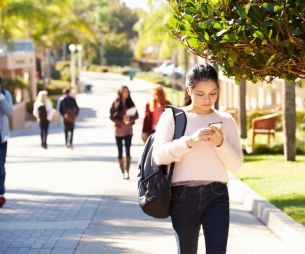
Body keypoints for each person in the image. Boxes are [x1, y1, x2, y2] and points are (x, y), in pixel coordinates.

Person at [152, 63, 243, 254]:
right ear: (189, 90)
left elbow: (236, 165)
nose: (207, 99)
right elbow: (159, 155)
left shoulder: (226, 120)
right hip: (182, 196)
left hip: (217, 195)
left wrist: (220, 143)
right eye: (201, 94)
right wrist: (190, 141)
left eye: (213, 93)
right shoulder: (173, 117)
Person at [110, 85, 138, 180]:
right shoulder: (116, 103)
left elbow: (136, 115)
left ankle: (127, 172)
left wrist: (130, 119)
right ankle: (122, 171)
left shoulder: (131, 103)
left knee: (128, 151)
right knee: (120, 152)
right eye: (124, 91)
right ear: (120, 93)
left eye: (127, 91)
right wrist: (121, 121)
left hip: (128, 131)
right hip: (118, 130)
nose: (126, 93)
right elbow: (111, 116)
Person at [0, 77, 13, 208]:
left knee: (0, 166)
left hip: (1, 138)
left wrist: (1, 98)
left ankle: (1, 195)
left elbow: (9, 111)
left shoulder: (5, 94)